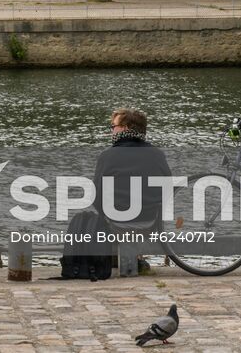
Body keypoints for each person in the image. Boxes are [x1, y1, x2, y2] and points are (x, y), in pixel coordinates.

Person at [60, 108, 172, 280]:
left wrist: (107, 215)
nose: (111, 130)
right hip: (149, 223)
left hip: (117, 224)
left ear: (126, 128)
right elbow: (168, 190)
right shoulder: (157, 154)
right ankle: (136, 259)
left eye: (113, 126)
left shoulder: (108, 156)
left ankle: (120, 260)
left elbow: (96, 196)